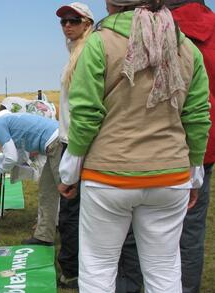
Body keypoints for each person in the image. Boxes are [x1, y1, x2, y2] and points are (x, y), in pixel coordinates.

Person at [58, 1, 210, 292]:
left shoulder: (99, 43)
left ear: (110, 3)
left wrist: (70, 170)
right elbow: (198, 116)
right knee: (164, 270)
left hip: (108, 174)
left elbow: (86, 113)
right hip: (171, 174)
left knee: (98, 268)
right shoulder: (186, 48)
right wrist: (195, 172)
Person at [167, 3, 215, 292]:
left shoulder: (153, 26)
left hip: (159, 140)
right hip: (205, 140)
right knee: (191, 231)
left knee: (138, 228)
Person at [0, 108, 63, 246]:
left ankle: (71, 237)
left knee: (66, 193)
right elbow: (20, 154)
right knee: (46, 192)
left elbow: (12, 158)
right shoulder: (6, 119)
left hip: (57, 143)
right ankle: (44, 237)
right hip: (54, 142)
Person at [55, 2, 94, 289]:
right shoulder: (75, 53)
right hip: (71, 140)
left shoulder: (86, 54)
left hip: (79, 144)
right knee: (76, 211)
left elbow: (86, 110)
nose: (68, 25)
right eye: (63, 21)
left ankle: (71, 269)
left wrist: (75, 155)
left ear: (87, 23)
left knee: (71, 211)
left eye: (74, 20)